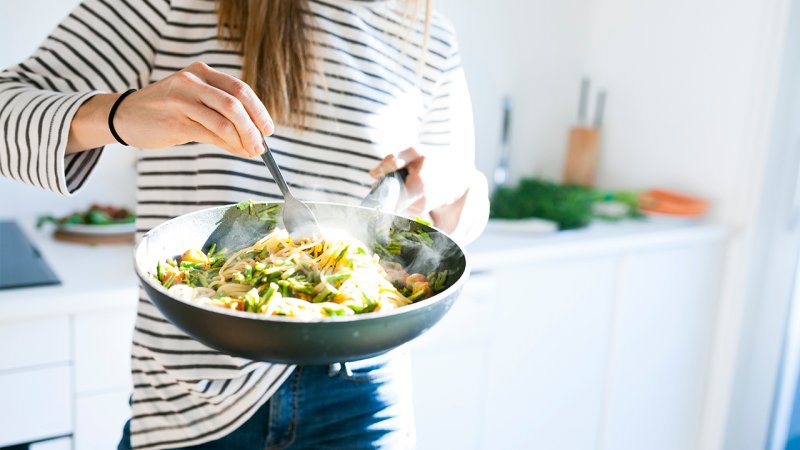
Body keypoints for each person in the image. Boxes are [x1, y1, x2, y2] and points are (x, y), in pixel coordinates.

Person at [0, 0, 488, 448]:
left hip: (362, 396)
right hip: (193, 399)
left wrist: (455, 185)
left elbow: (457, 221)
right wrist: (119, 114)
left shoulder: (427, 34)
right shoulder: (169, 6)